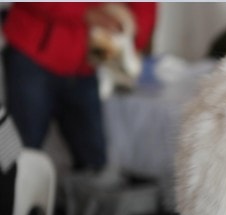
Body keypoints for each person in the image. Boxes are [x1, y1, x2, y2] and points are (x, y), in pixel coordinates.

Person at [1, 3, 157, 171]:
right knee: (18, 155)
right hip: (32, 54)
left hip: (85, 66)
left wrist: (130, 31)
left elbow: (144, 8)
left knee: (94, 162)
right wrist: (85, 13)